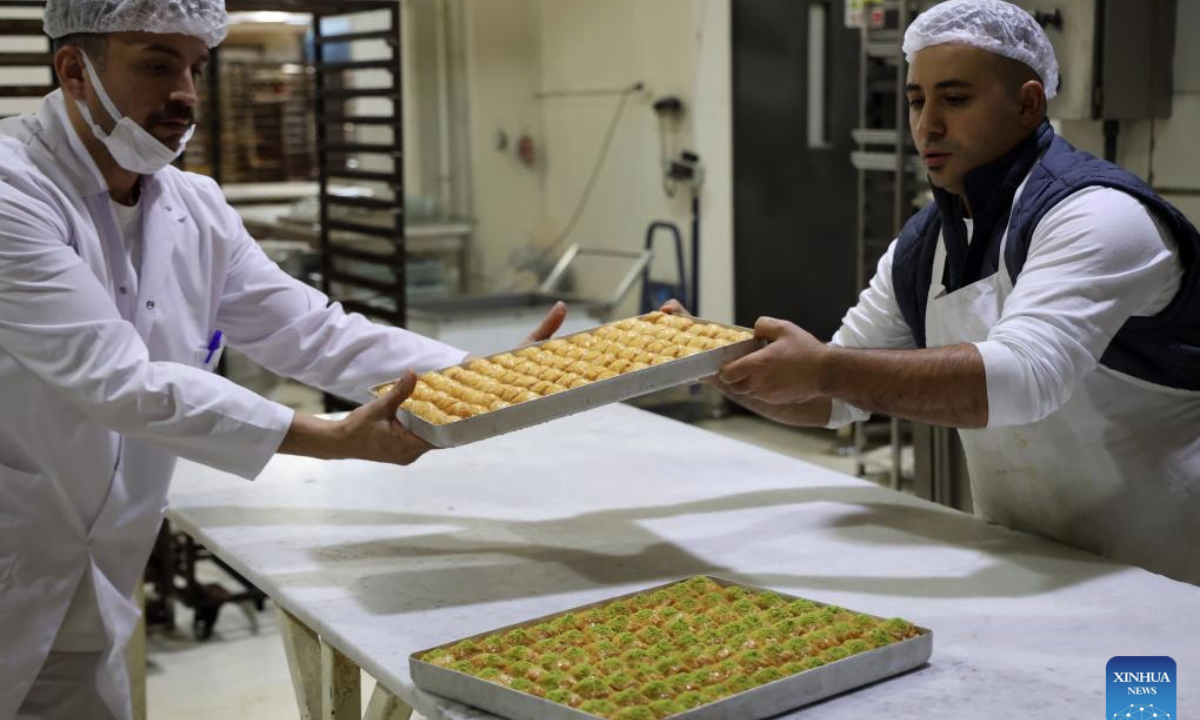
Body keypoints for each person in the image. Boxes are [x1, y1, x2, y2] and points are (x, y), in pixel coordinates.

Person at [0, 2, 564, 717]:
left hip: (98, 567)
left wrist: (485, 377)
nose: (185, 93)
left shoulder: (191, 204)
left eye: (195, 67)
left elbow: (311, 330)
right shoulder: (12, 190)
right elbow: (119, 382)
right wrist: (328, 439)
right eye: (155, 63)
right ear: (73, 70)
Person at [696, 0, 1200, 585]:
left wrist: (823, 368)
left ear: (1028, 102)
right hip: (1029, 567)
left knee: (1145, 685)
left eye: (955, 99)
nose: (927, 125)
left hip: (1168, 580)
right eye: (916, 100)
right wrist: (700, 361)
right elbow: (831, 400)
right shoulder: (927, 243)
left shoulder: (1098, 216)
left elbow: (1022, 378)